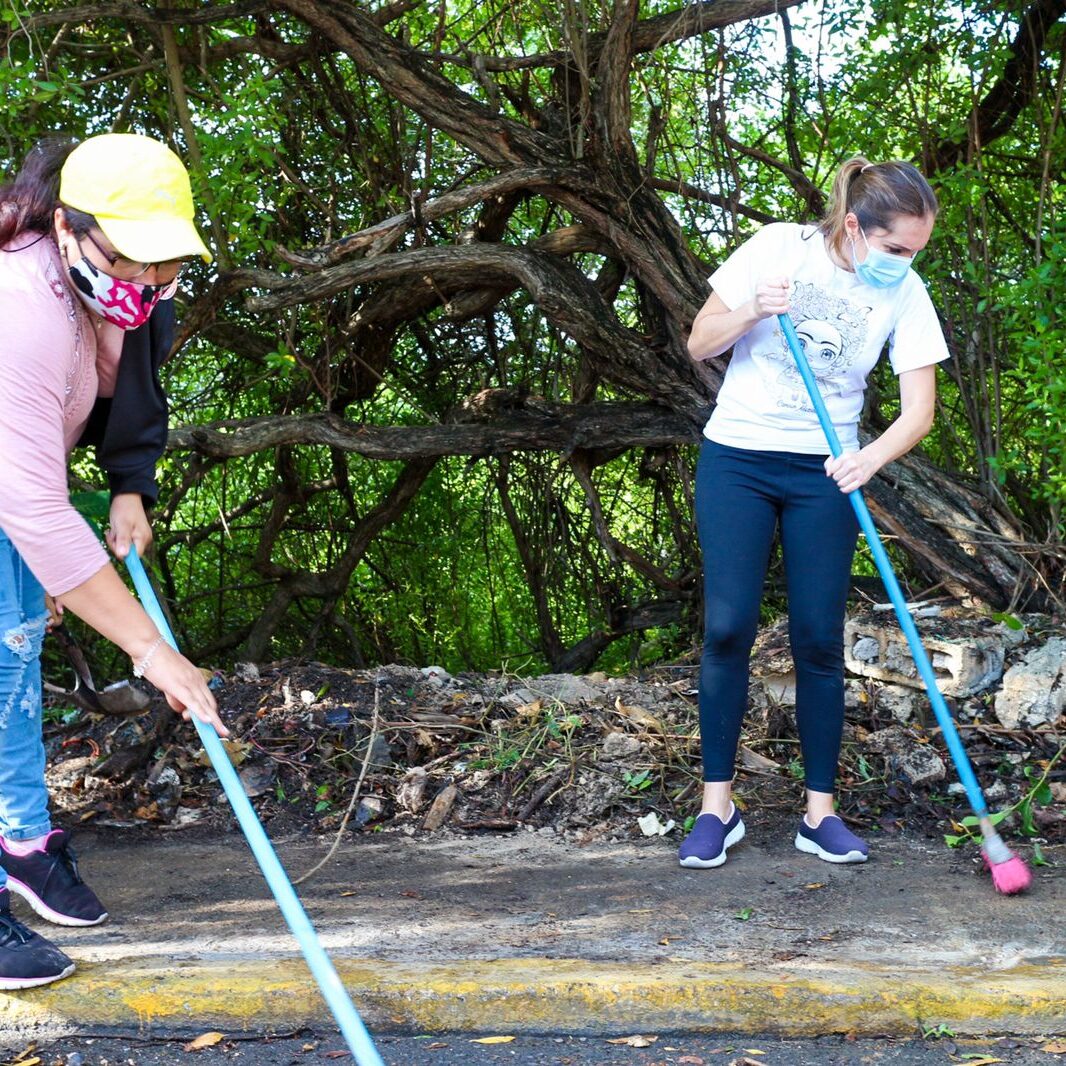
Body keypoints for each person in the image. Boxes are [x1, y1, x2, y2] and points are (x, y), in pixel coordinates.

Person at [0, 133, 228, 988]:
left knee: (11, 662)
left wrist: (129, 485)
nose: (150, 280)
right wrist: (152, 651)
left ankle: (21, 845)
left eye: (166, 265)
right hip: (16, 496)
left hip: (13, 488)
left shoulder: (124, 288)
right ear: (68, 227)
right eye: (132, 258)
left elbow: (102, 407)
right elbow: (35, 509)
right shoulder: (18, 307)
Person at [679, 158, 949, 869]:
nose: (905, 262)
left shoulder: (906, 291)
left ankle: (819, 815)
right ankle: (717, 809)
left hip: (827, 472)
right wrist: (753, 309)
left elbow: (919, 411)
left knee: (819, 639)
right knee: (728, 627)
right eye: (895, 248)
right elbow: (699, 342)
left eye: (916, 251)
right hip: (738, 459)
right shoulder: (779, 247)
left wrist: (868, 459)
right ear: (854, 227)